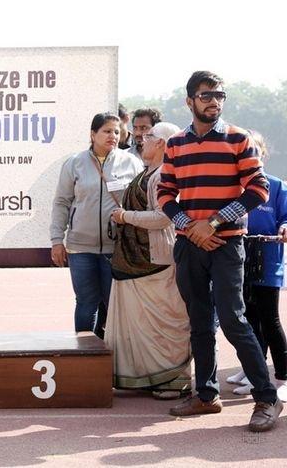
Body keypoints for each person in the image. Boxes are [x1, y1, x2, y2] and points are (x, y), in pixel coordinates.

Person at [158, 70, 282, 432]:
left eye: (219, 95)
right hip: (189, 245)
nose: (214, 101)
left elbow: (257, 189)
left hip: (227, 244)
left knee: (233, 319)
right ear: (190, 101)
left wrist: (210, 224)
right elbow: (165, 193)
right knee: (198, 323)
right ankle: (206, 395)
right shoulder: (176, 144)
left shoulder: (239, 139)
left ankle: (266, 398)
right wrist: (189, 228)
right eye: (206, 95)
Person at [104, 122, 191, 399]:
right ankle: (147, 377)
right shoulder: (148, 172)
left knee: (164, 322)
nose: (142, 140)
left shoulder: (165, 174)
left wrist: (124, 216)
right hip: (133, 261)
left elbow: (164, 217)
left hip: (157, 260)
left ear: (163, 143)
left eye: (149, 136)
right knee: (140, 323)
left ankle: (173, 379)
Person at [50, 113, 143, 338]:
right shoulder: (74, 163)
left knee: (116, 305)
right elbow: (61, 202)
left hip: (117, 248)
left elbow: (141, 202)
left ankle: (117, 358)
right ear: (93, 134)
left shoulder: (131, 163)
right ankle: (84, 357)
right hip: (80, 248)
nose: (113, 136)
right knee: (85, 302)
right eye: (107, 131)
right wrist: (56, 241)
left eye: (117, 132)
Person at [226, 131, 287, 402]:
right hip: (240, 256)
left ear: (263, 155)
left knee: (270, 319)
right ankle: (254, 370)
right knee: (249, 317)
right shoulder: (234, 186)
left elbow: (285, 218)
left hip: (268, 258)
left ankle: (283, 376)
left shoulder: (276, 186)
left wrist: (284, 227)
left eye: (255, 153)